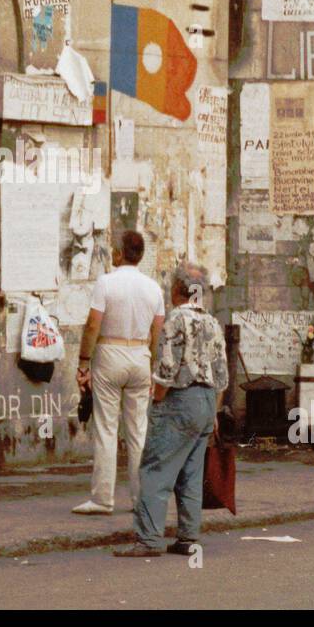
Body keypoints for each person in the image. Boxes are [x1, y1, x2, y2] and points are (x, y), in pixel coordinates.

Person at [114, 264, 228, 557]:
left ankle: (149, 539)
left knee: (155, 468)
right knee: (191, 472)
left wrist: (159, 398)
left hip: (180, 399)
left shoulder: (176, 319)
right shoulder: (212, 323)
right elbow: (222, 375)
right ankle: (189, 537)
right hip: (206, 401)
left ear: (177, 290)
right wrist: (213, 412)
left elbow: (167, 368)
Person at [73, 230, 165, 514]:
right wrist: (150, 369)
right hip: (140, 354)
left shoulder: (106, 283)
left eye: (115, 249)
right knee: (138, 431)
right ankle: (140, 500)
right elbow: (157, 332)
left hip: (109, 354)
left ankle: (102, 498)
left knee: (106, 429)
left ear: (121, 253)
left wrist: (84, 363)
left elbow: (92, 325)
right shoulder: (154, 288)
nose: (112, 252)